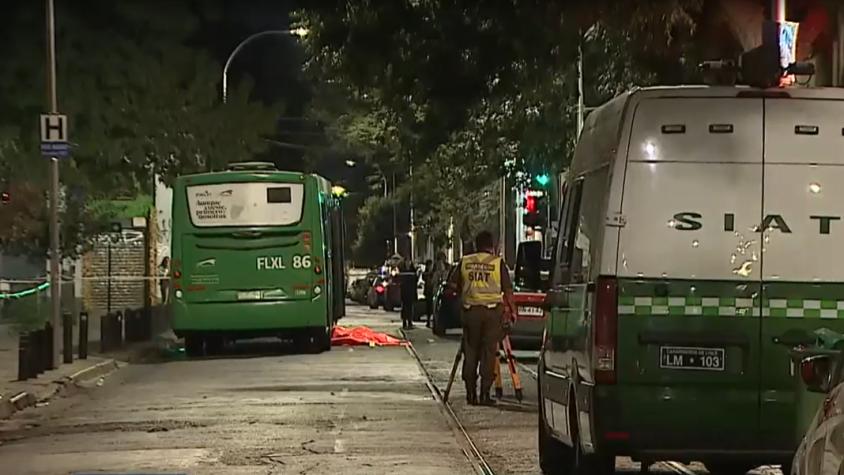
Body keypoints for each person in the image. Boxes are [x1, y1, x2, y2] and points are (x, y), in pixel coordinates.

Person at [447, 231, 516, 406]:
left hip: (471, 314)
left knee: (470, 353)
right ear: (491, 245)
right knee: (488, 354)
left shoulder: (465, 262)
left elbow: (452, 287)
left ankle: (471, 394)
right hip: (493, 314)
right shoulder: (498, 264)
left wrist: (460, 301)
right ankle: (485, 394)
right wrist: (513, 311)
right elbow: (508, 291)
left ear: (477, 245)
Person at [399, 256, 418, 330]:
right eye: (407, 261)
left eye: (409, 261)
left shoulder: (412, 270)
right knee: (404, 306)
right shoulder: (402, 270)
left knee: (410, 307)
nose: (408, 263)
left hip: (411, 291)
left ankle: (410, 321)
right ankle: (404, 322)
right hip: (404, 291)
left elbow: (415, 279)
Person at [422, 259, 435, 327]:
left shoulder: (433, 273)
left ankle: (431, 320)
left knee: (432, 307)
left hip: (433, 291)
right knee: (428, 307)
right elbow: (424, 278)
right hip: (428, 291)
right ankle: (428, 320)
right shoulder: (426, 273)